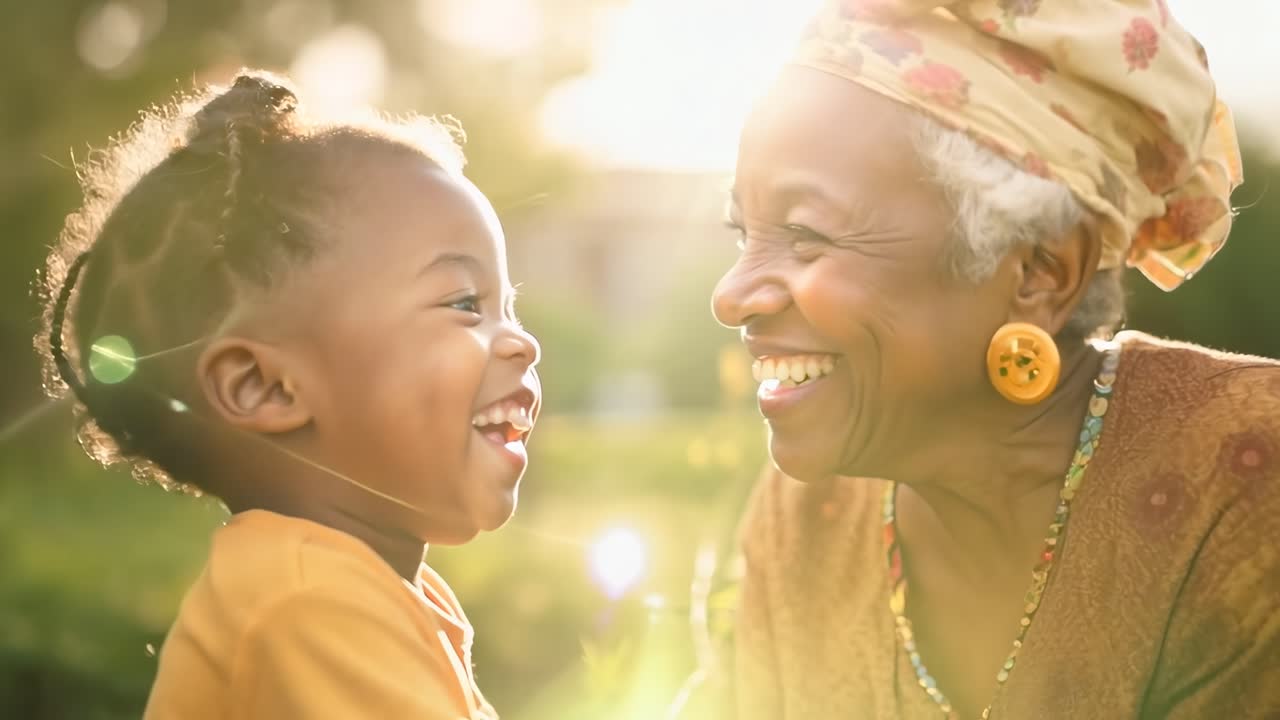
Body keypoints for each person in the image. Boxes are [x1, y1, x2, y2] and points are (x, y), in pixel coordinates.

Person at [712, 1, 1279, 718]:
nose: (731, 297)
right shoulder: (806, 517)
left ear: (1039, 272)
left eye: (804, 234)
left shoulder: (1248, 481)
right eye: (743, 234)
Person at [36, 70, 541, 719]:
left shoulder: (359, 588)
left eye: (511, 306)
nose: (521, 343)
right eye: (465, 303)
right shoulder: (307, 605)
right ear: (263, 386)